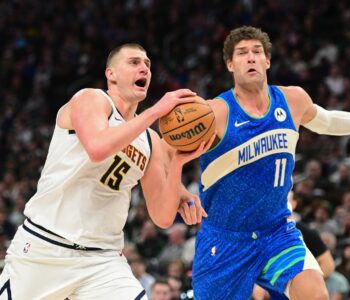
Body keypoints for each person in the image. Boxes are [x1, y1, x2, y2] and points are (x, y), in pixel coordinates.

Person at [191, 26, 350, 299]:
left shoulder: (292, 99)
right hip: (225, 239)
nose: (250, 57)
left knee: (315, 294)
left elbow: (329, 121)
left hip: (275, 231)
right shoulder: (214, 111)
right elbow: (169, 152)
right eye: (241, 53)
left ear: (268, 61)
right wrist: (182, 190)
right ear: (230, 64)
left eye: (257, 51)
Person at [0, 43, 212, 299]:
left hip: (102, 261)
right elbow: (98, 148)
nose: (144, 67)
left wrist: (177, 163)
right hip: (45, 249)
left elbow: (162, 217)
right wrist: (155, 111)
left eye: (147, 64)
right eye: (134, 62)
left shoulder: (150, 141)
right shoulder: (91, 99)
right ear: (111, 74)